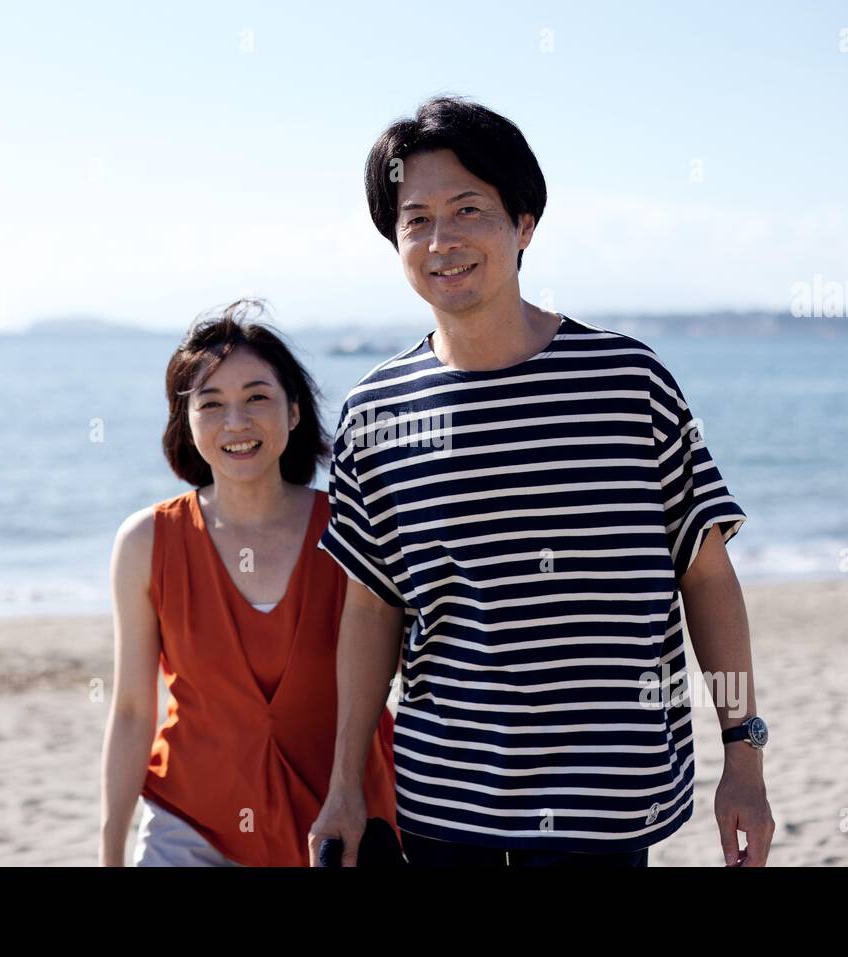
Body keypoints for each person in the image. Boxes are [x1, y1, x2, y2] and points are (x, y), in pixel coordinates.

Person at [308, 96, 774, 868]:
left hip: (607, 802)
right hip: (444, 803)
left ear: (523, 225)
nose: (441, 239)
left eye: (468, 210)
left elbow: (707, 576)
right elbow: (371, 606)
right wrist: (346, 784)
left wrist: (744, 758)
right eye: (415, 218)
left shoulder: (628, 382)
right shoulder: (375, 412)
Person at [100, 298, 398, 867]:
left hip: (340, 824)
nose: (235, 423)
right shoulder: (145, 543)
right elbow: (135, 712)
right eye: (211, 404)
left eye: (257, 397)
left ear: (293, 413)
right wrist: (110, 851)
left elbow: (417, 680)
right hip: (190, 825)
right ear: (186, 423)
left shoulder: (352, 528)